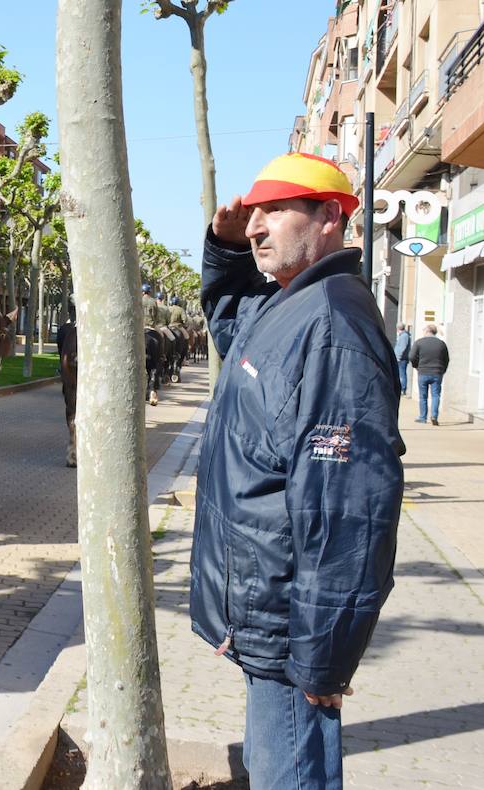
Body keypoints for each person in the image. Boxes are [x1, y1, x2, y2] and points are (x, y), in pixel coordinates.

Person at [194, 152, 404, 790]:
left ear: (331, 217)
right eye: (254, 213)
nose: (257, 226)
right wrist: (226, 253)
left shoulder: (333, 326)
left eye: (276, 211)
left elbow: (348, 511)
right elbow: (234, 326)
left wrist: (322, 658)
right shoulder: (292, 301)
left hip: (292, 635)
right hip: (264, 615)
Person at [409, 324, 449, 425]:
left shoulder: (419, 342)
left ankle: (423, 417)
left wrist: (416, 366)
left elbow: (411, 356)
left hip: (423, 372)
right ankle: (434, 416)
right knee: (436, 395)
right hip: (437, 372)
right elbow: (446, 359)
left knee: (423, 396)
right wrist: (442, 370)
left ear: (427, 331)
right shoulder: (441, 344)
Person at [393, 323, 412, 396]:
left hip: (402, 359)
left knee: (402, 374)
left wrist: (398, 357)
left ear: (398, 328)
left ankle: (403, 389)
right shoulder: (402, 335)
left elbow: (402, 347)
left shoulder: (404, 336)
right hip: (400, 358)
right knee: (400, 374)